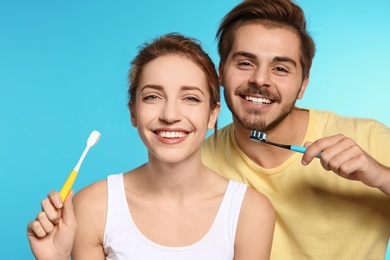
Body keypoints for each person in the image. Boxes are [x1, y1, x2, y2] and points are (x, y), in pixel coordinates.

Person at [27, 33, 275, 260]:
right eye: (152, 97)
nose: (170, 115)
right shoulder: (93, 207)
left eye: (190, 98)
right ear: (133, 112)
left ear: (212, 115)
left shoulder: (250, 211)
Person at [201, 0, 390, 259]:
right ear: (221, 71)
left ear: (303, 85)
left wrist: (380, 176)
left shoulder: (371, 139)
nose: (260, 79)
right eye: (245, 63)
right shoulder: (196, 162)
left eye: (280, 68)